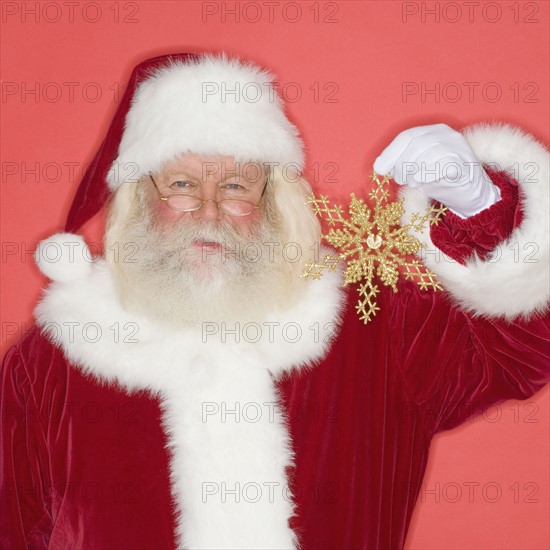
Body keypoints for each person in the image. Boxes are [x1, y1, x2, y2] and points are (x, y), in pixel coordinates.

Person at [1, 52, 548, 550]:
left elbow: (521, 349)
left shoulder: (373, 326)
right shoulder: (54, 360)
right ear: (140, 198)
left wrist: (481, 207)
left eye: (237, 186)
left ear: (273, 201)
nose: (209, 210)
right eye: (182, 185)